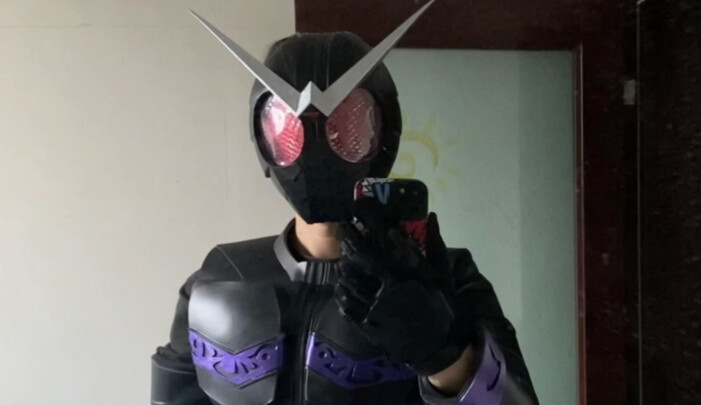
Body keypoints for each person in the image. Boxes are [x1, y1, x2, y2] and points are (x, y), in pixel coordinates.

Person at [151, 4, 539, 405]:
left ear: (383, 130)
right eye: (290, 128)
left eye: (348, 125)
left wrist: (447, 359)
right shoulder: (218, 279)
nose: (319, 148)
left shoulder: (444, 281)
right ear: (265, 136)